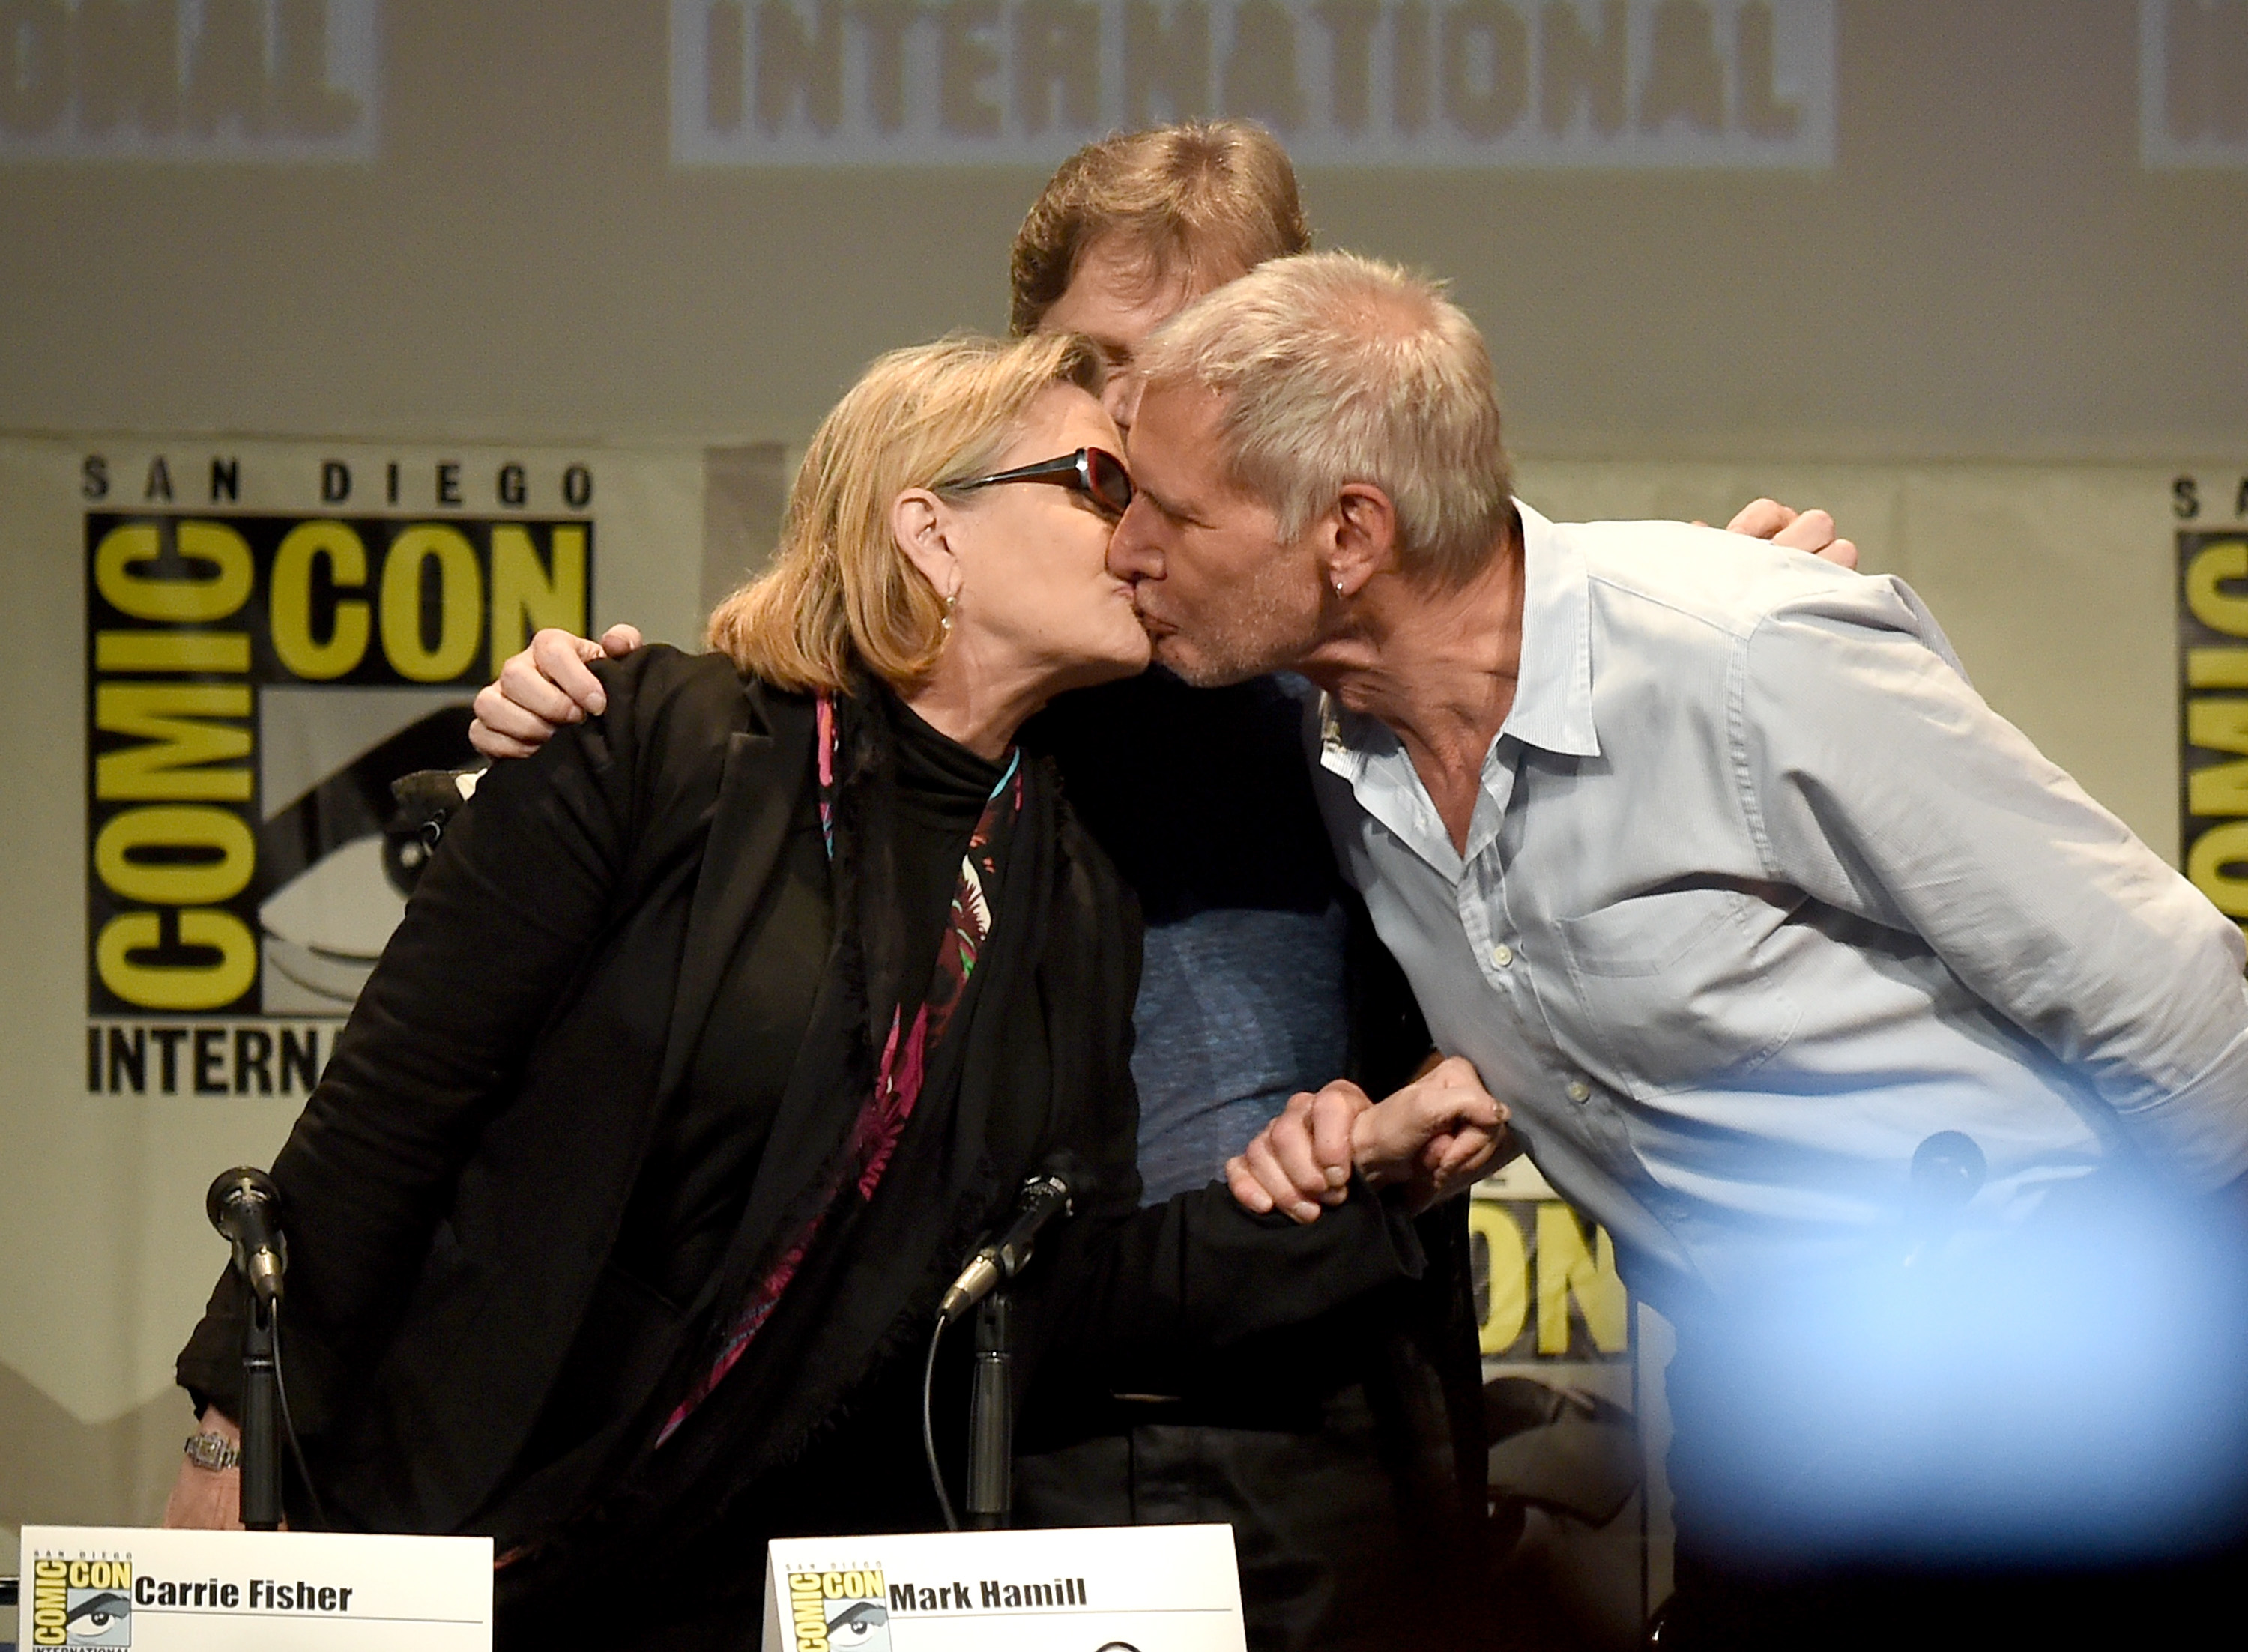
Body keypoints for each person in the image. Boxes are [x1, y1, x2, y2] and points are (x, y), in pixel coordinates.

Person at [473, 120, 1861, 1652]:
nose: (1143, 411)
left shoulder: (1386, 653)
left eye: (1203, 355)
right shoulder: (973, 662)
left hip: (1331, 1408)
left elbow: (1586, 856)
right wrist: (563, 716)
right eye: (1099, 357)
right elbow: (768, 742)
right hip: (992, 1425)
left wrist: (1723, 617)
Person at [163, 330, 1466, 1651]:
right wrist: (229, 1450)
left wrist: (1365, 1175)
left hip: (753, 1592)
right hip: (437, 1537)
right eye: (1098, 481)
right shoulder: (653, 744)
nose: (1140, 538)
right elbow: (389, 1116)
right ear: (930, 529)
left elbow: (1041, 1287)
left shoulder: (1067, 885)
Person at [1102, 249, 2248, 1647]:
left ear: (1350, 533)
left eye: (1168, 511)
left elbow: (2187, 1014)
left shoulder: (1751, 658)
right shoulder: (1345, 763)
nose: (1126, 549)